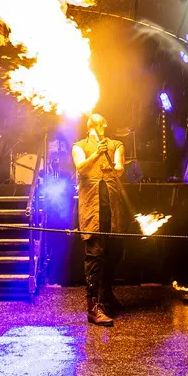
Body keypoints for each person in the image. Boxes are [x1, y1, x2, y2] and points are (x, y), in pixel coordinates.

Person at [72, 113, 127, 326]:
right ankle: (93, 309)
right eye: (95, 122)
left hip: (112, 209)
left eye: (101, 122)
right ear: (89, 126)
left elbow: (120, 169)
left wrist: (111, 165)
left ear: (105, 124)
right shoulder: (79, 146)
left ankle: (106, 298)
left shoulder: (116, 144)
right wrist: (96, 154)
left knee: (113, 253)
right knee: (95, 255)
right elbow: (80, 167)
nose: (98, 124)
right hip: (92, 210)